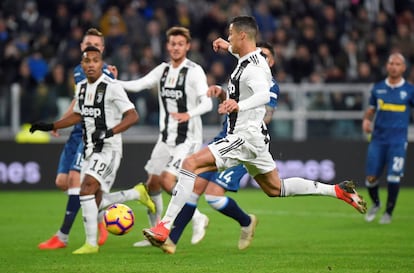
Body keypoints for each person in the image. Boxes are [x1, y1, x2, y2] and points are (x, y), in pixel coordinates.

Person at [142, 16, 367, 248]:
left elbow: (263, 95)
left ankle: (164, 227)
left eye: (230, 34)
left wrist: (240, 105)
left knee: (190, 165)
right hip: (255, 140)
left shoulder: (256, 68)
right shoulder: (246, 57)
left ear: (242, 35)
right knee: (275, 188)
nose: (228, 37)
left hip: (243, 137)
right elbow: (241, 54)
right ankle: (338, 191)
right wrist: (226, 49)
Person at [160, 41, 279, 254]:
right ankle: (170, 240)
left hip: (244, 144)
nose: (263, 58)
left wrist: (244, 114)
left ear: (272, 61)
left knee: (214, 197)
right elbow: (233, 104)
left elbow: (265, 116)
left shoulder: (270, 85)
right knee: (195, 188)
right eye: (260, 53)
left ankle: (246, 221)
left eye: (267, 56)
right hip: (223, 137)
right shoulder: (244, 73)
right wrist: (222, 96)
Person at [30, 46, 152, 254]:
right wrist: (52, 126)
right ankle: (135, 193)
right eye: (87, 61)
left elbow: (133, 116)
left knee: (85, 188)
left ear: (101, 64)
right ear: (82, 65)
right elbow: (78, 115)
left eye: (96, 61)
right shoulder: (83, 88)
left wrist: (110, 132)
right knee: (94, 200)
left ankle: (91, 244)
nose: (91, 65)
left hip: (109, 149)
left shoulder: (111, 87)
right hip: (89, 149)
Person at [116, 26, 213, 247]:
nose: (176, 47)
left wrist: (188, 114)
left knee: (168, 179)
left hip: (187, 138)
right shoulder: (162, 70)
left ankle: (198, 218)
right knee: (153, 184)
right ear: (167, 46)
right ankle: (155, 235)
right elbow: (139, 85)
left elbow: (207, 102)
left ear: (187, 46)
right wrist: (112, 82)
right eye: (172, 44)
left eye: (180, 44)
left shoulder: (194, 71)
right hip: (165, 137)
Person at [37, 28, 117, 250]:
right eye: (87, 44)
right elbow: (79, 100)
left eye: (96, 45)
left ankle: (62, 236)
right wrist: (60, 123)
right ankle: (102, 213)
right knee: (62, 182)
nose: (90, 47)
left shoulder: (105, 72)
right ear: (82, 47)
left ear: (102, 49)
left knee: (75, 179)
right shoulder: (78, 70)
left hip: (90, 134)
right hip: (76, 133)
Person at [362, 53, 414, 224]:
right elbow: (371, 110)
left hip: (398, 142)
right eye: (391, 63)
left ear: (403, 68)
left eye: (397, 64)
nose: (394, 66)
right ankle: (376, 204)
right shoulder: (378, 88)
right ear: (387, 66)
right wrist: (367, 120)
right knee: (371, 179)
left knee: (394, 176)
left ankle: (388, 212)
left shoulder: (409, 90)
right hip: (378, 140)